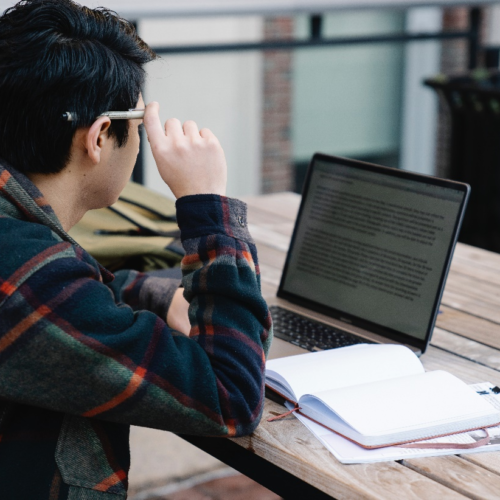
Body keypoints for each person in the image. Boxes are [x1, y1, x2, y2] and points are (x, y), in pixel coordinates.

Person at [0, 0, 272, 498]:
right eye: (140, 120)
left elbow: (65, 300)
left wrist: (155, 296)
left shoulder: (20, 245)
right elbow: (231, 399)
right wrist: (207, 205)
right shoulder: (25, 273)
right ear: (101, 135)